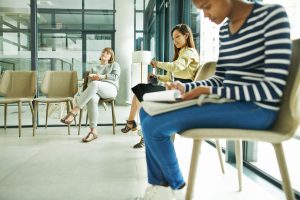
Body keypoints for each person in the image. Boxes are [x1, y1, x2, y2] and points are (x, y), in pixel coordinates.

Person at [138, 0, 292, 199]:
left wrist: (208, 91)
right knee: (145, 111)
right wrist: (186, 87)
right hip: (228, 102)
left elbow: (273, 87)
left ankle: (175, 189)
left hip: (258, 109)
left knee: (154, 125)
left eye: (207, 6)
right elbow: (221, 78)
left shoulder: (272, 15)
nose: (205, 15)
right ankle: (161, 188)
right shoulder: (225, 31)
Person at [121, 24, 200, 148]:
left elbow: (176, 67)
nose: (175, 41)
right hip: (174, 89)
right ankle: (135, 125)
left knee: (140, 89)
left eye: (178, 37)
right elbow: (169, 77)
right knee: (139, 92)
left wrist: (157, 63)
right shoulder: (181, 53)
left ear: (186, 35)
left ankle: (140, 127)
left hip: (182, 92)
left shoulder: (190, 52)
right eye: (173, 39)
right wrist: (156, 77)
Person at [60, 47, 120, 142]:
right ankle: (93, 131)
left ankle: (75, 110)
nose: (105, 53)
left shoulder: (114, 65)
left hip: (111, 88)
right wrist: (94, 79)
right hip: (96, 90)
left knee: (95, 84)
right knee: (91, 98)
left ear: (111, 57)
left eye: (108, 53)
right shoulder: (94, 68)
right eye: (103, 52)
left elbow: (115, 77)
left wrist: (100, 77)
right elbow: (89, 85)